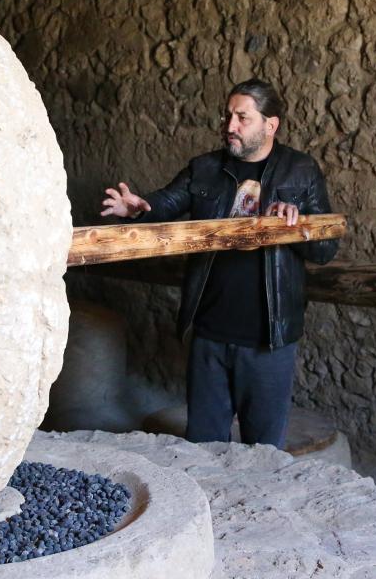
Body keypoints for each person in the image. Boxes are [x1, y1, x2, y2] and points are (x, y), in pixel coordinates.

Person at [100, 78, 338, 449]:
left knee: (263, 454)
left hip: (269, 339)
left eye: (243, 118)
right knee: (203, 450)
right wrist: (137, 210)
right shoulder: (205, 167)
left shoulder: (301, 171)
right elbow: (164, 203)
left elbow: (325, 250)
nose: (230, 126)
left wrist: (296, 225)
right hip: (209, 334)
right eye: (228, 116)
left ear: (270, 125)